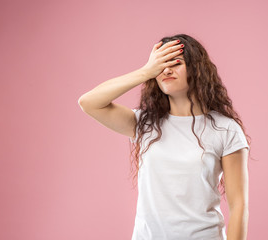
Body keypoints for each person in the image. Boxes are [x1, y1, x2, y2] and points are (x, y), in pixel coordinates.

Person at [78, 33, 251, 240]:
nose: (166, 70)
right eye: (161, 65)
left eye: (175, 63)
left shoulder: (225, 129)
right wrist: (145, 71)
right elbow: (89, 102)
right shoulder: (144, 124)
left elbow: (238, 204)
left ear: (197, 69)